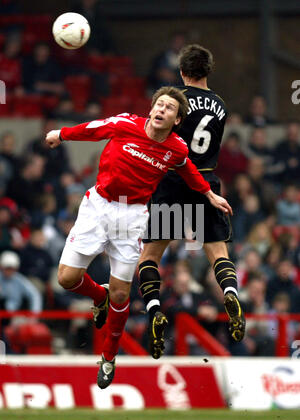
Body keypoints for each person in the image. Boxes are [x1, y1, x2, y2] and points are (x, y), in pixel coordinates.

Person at [45, 85, 232, 389]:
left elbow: (188, 170)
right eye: (159, 104)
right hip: (98, 206)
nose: (161, 110)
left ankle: (108, 357)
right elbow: (94, 129)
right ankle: (98, 296)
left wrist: (209, 194)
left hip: (131, 219)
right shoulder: (126, 124)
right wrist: (61, 133)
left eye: (169, 108)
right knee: (66, 279)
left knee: (122, 294)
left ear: (177, 119)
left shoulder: (177, 148)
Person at [138, 45, 246, 361]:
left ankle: (155, 309)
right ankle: (230, 293)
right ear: (208, 71)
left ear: (182, 71)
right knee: (217, 252)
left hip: (172, 180)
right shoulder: (222, 106)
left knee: (151, 255)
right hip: (207, 182)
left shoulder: (174, 101)